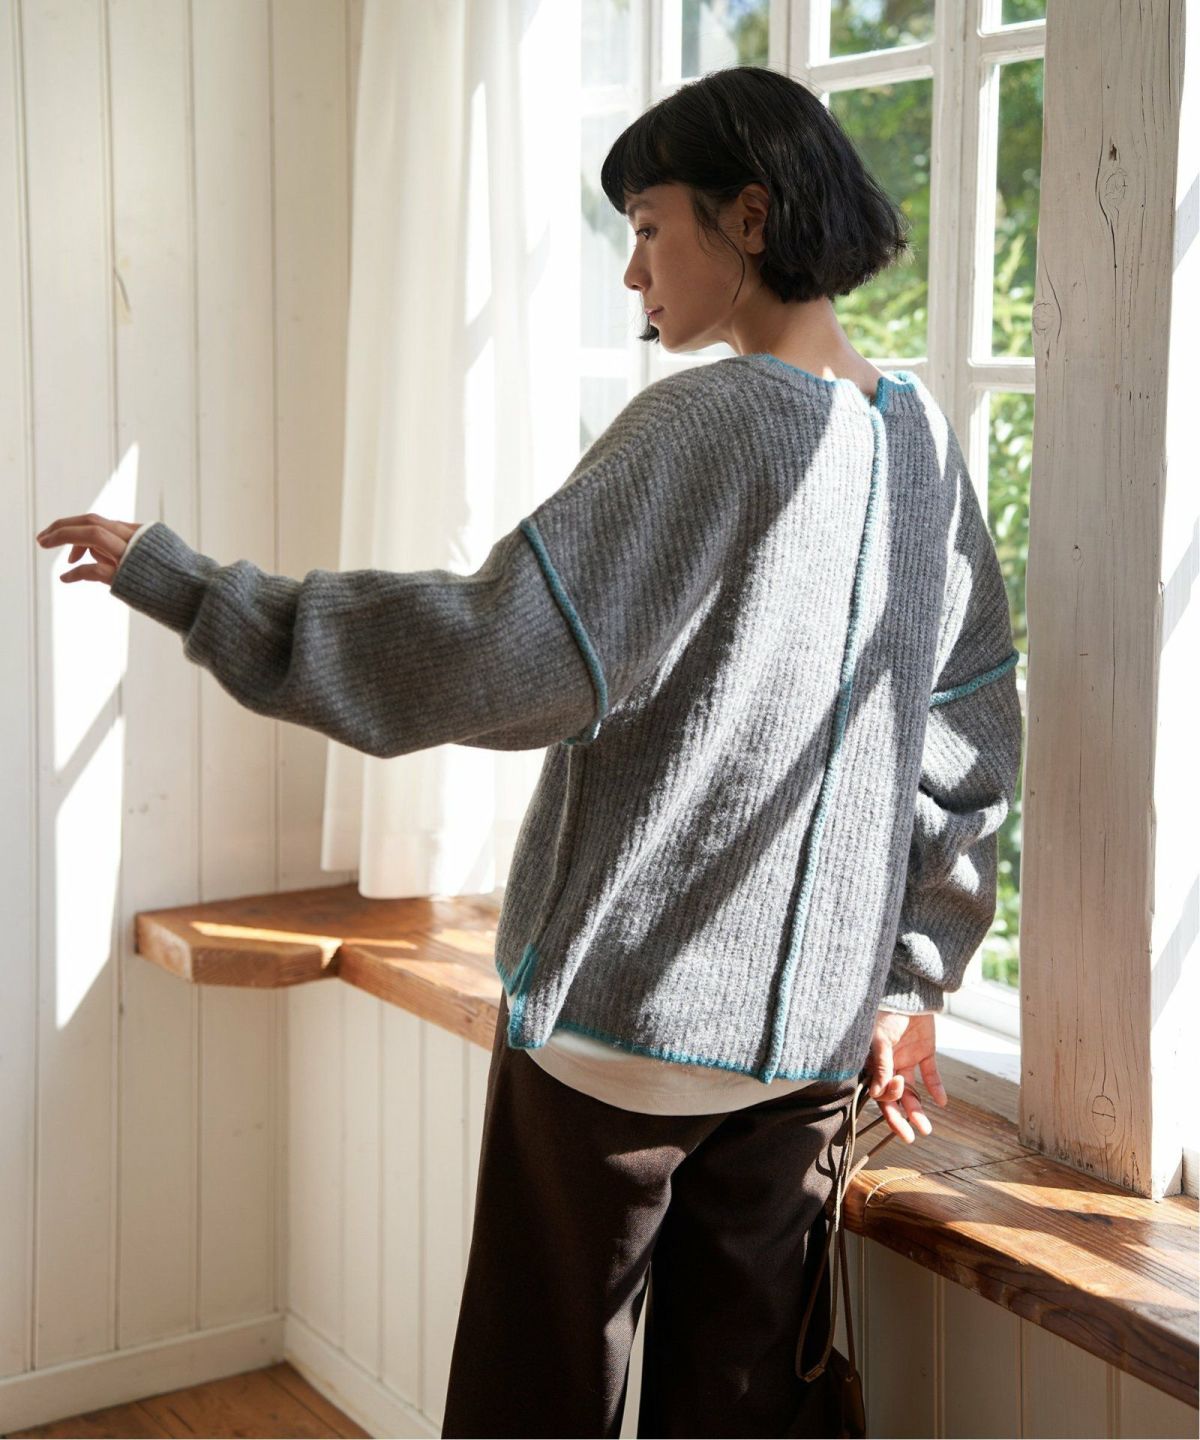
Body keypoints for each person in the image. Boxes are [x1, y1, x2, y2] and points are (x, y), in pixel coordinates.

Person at [35, 64, 1022, 1440]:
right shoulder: (922, 445)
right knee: (741, 1411)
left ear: (749, 218)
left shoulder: (709, 420)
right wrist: (911, 980)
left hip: (620, 1042)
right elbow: (969, 734)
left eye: (650, 226)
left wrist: (195, 586)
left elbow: (489, 652)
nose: (633, 270)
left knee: (534, 1395)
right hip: (805, 1060)